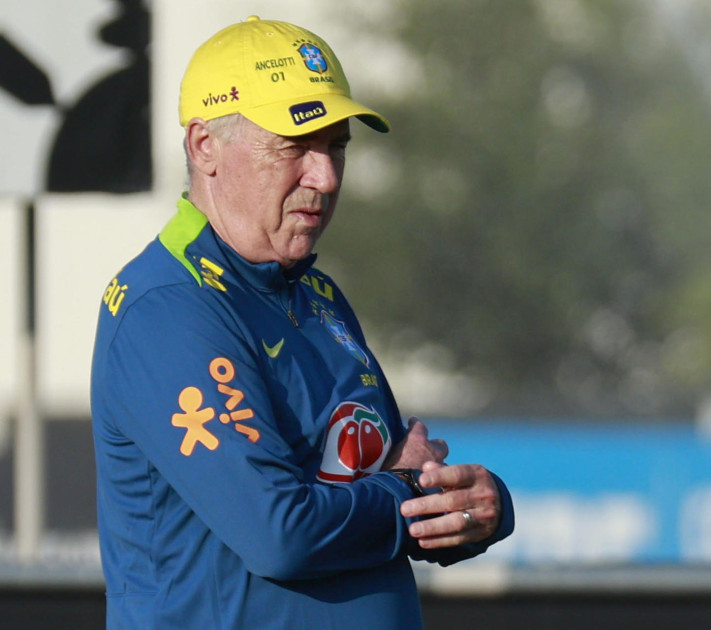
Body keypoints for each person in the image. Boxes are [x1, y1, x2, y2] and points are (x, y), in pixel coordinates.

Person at [90, 16, 513, 629]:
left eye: (337, 145)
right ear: (205, 146)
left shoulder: (314, 293)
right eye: (295, 145)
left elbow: (377, 498)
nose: (327, 176)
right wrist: (408, 492)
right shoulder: (168, 306)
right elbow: (280, 534)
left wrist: (475, 507)